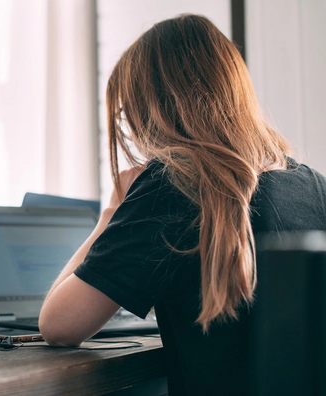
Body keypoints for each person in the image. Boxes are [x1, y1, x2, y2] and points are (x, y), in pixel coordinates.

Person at [38, 14, 326, 395]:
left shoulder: (172, 183)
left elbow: (59, 325)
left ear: (153, 107)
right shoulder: (313, 185)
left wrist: (112, 214)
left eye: (129, 114)